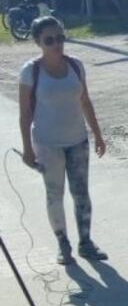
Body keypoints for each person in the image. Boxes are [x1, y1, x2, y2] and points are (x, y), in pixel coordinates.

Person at [17, 16, 108, 265]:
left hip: (77, 140)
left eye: (60, 37)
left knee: (81, 194)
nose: (57, 44)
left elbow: (85, 101)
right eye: (49, 40)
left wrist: (98, 134)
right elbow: (25, 115)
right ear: (38, 42)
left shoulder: (76, 65)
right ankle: (63, 243)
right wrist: (27, 149)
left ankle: (86, 242)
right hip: (47, 145)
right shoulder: (30, 71)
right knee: (54, 194)